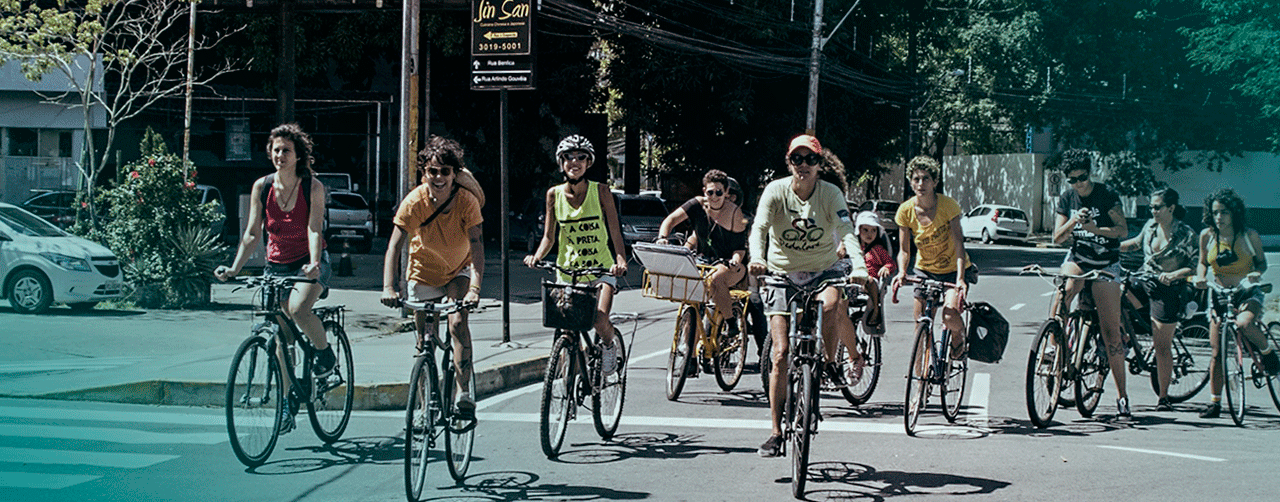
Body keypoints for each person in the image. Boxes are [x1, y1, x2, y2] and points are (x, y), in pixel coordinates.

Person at [748, 134, 868, 457]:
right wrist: (756, 257)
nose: (803, 165)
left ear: (819, 164)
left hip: (822, 270)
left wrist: (859, 265)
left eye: (810, 159)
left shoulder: (830, 194)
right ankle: (775, 433)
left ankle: (828, 362)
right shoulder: (775, 191)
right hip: (780, 274)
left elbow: (846, 231)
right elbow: (759, 227)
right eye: (797, 159)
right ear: (789, 163)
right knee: (780, 353)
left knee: (833, 305)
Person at [215, 123, 333, 434]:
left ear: (298, 156)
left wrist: (314, 263)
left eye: (286, 150)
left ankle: (325, 355)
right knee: (282, 337)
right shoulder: (262, 187)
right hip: (276, 265)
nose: (280, 155)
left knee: (297, 310)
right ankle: (286, 403)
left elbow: (313, 229)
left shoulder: (313, 187)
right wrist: (235, 269)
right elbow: (253, 233)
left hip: (310, 262)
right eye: (276, 149)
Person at [380, 136, 485, 420]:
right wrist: (389, 286)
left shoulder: (467, 201)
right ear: (424, 173)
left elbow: (477, 246)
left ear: (455, 174)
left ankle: (464, 393)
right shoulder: (414, 201)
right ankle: (427, 406)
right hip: (422, 274)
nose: (438, 178)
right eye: (432, 171)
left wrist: (474, 289)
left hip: (458, 271)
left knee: (457, 323)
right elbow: (394, 246)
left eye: (445, 171)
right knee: (424, 342)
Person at [523, 135, 628, 375]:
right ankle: (577, 382)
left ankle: (610, 346)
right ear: (561, 163)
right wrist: (536, 256)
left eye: (581, 157)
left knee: (599, 320)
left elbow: (614, 230)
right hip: (568, 272)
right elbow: (549, 237)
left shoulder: (601, 191)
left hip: (600, 269)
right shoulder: (554, 195)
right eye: (568, 157)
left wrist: (620, 259)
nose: (574, 162)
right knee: (567, 331)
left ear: (589, 163)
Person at [1045, 149, 1131, 418]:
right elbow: (1057, 239)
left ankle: (1122, 397)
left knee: (1110, 331)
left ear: (1089, 174)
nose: (1078, 184)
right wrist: (1073, 220)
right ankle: (1053, 344)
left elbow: (1122, 231)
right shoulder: (1067, 197)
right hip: (1080, 257)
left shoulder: (1107, 194)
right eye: (1072, 180)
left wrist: (1095, 229)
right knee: (1063, 290)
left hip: (1106, 261)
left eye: (1082, 178)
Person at [1192, 188, 1276, 418]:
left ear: (1234, 213)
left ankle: (1268, 353)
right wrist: (1200, 277)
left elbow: (1261, 263)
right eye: (1216, 212)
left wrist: (1256, 275)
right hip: (1219, 293)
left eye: (1225, 212)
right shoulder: (1207, 236)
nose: (1219, 217)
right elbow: (1202, 263)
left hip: (1246, 291)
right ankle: (1215, 403)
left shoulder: (1249, 235)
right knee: (1216, 352)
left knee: (1244, 324)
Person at [890, 156, 977, 359]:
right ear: (911, 182)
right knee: (921, 325)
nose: (921, 184)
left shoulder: (948, 206)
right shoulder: (905, 211)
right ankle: (920, 383)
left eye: (926, 178)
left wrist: (960, 279)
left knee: (949, 315)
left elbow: (958, 244)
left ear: (935, 182)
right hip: (924, 270)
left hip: (952, 270)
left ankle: (958, 336)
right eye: (916, 179)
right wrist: (902, 272)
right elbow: (904, 250)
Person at [1119, 188, 1197, 411]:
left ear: (1171, 208)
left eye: (1157, 207)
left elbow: (1194, 266)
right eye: (1150, 207)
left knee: (1162, 346)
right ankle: (1125, 337)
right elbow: (1135, 243)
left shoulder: (1186, 234)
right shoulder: (1150, 227)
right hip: (1145, 281)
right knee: (1116, 291)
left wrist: (1173, 275)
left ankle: (1163, 397)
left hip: (1168, 289)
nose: (1152, 211)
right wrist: (1112, 247)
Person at [656, 169, 749, 332]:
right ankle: (690, 356)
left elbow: (739, 249)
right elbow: (670, 220)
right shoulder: (697, 204)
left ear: (726, 193)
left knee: (717, 278)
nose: (713, 197)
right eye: (710, 192)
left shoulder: (734, 213)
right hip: (702, 261)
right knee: (690, 302)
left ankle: (730, 321)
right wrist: (662, 237)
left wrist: (735, 261)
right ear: (704, 191)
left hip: (727, 264)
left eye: (718, 192)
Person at [856, 210, 894, 333]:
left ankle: (876, 310)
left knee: (870, 280)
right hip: (855, 280)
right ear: (858, 230)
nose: (870, 234)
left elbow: (891, 263)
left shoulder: (878, 249)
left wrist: (886, 267)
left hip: (871, 281)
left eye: (873, 230)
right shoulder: (853, 247)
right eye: (865, 230)